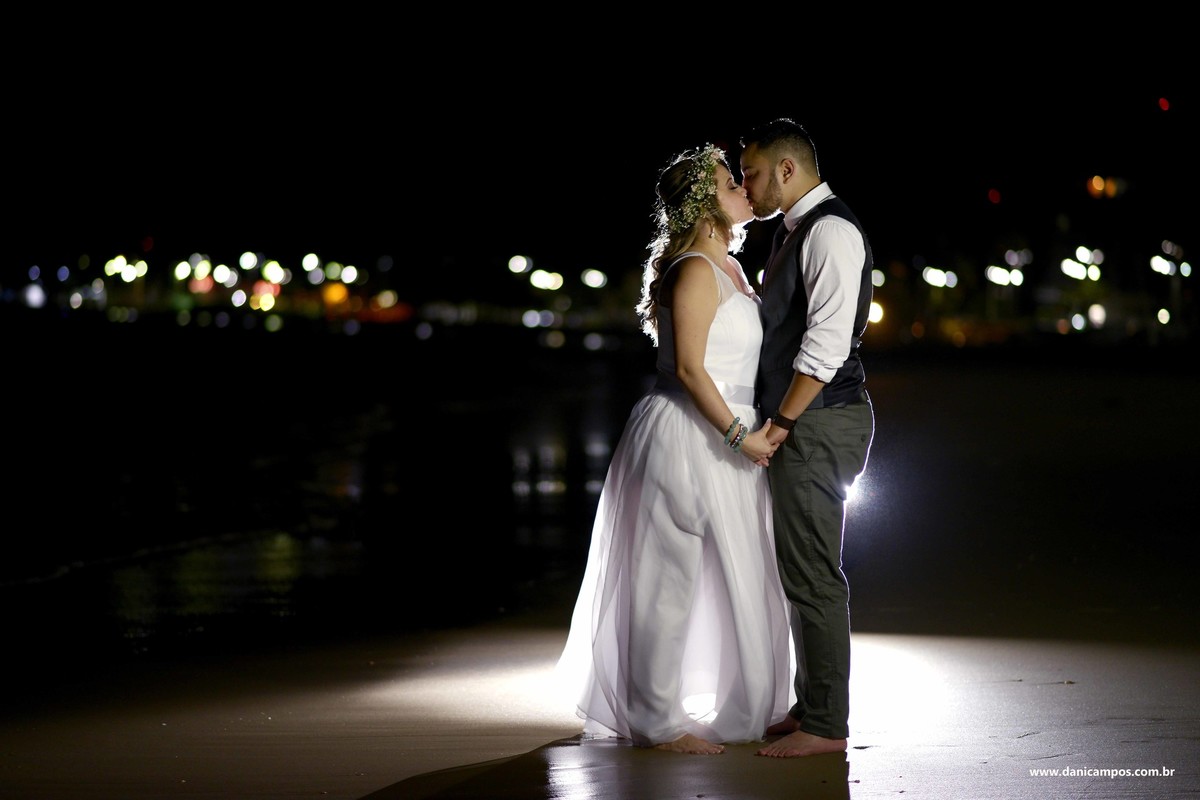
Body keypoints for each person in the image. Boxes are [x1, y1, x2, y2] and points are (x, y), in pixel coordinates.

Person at [553, 143, 795, 755]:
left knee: (745, 571)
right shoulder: (692, 269)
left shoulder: (734, 268)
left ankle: (750, 705)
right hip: (690, 432)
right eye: (729, 181)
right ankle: (656, 722)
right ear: (703, 200)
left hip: (736, 434)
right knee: (668, 578)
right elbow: (689, 369)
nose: (744, 186)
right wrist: (741, 437)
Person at [738, 118, 876, 758]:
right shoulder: (800, 232)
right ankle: (810, 704)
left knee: (815, 573)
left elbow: (824, 347)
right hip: (813, 421)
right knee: (800, 568)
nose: (749, 185)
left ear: (787, 170)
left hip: (820, 423)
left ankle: (827, 724)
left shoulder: (831, 232)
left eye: (755, 173)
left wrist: (781, 424)